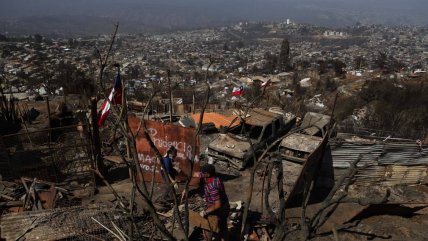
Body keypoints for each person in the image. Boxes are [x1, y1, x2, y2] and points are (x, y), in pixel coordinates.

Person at [195, 164, 230, 241]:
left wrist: (205, 212)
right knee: (219, 227)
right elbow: (197, 174)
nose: (202, 173)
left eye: (203, 173)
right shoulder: (210, 176)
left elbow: (217, 205)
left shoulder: (213, 187)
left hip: (221, 209)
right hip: (217, 204)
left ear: (208, 174)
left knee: (219, 227)